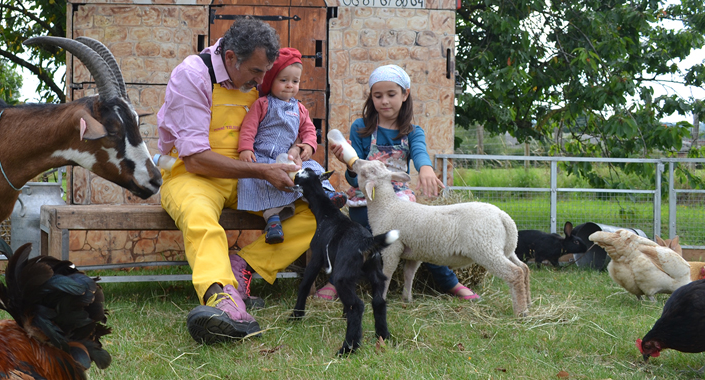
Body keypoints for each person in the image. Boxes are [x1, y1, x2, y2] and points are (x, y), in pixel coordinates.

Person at [155, 19, 317, 344]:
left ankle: (242, 265)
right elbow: (196, 158)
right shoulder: (192, 75)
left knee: (314, 212)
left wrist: (296, 151)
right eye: (256, 72)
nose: (262, 80)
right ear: (231, 58)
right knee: (200, 219)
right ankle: (221, 300)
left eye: (265, 72)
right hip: (193, 174)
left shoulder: (251, 77)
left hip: (248, 171)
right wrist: (263, 173)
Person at [316, 64, 481, 302]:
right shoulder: (360, 128)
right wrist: (348, 164)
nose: (384, 101)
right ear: (371, 98)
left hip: (399, 199)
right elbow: (354, 176)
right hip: (367, 199)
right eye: (378, 95)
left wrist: (425, 169)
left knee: (426, 235)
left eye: (391, 95)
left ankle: (450, 282)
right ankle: (336, 281)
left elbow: (420, 153)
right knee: (358, 234)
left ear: (405, 94)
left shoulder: (413, 132)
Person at [236, 47, 347, 245]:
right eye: (283, 80)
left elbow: (309, 132)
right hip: (264, 157)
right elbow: (248, 128)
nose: (290, 86)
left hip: (289, 157)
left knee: (313, 169)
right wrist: (246, 148)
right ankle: (273, 221)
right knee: (266, 185)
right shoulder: (262, 104)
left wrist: (307, 147)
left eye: (295, 81)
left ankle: (328, 194)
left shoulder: (300, 109)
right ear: (271, 81)